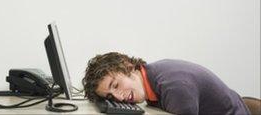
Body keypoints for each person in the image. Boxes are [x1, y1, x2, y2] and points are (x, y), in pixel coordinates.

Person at [82, 52, 250, 115]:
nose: (119, 98)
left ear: (127, 65)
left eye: (116, 85)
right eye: (111, 97)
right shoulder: (152, 75)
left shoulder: (174, 86)